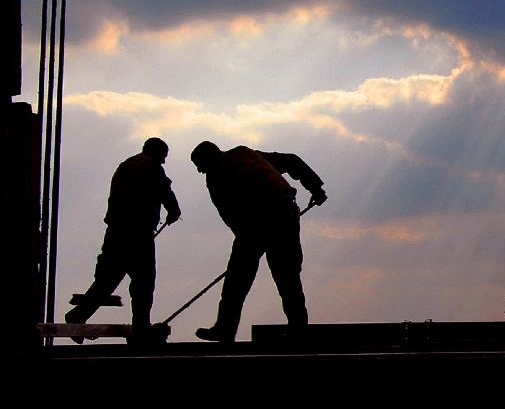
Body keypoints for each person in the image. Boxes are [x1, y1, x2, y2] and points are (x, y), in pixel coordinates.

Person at [190, 141, 327, 342]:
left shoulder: (216, 175)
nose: (201, 172)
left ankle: (225, 330)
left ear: (206, 160)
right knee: (288, 278)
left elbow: (229, 213)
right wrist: (315, 187)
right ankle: (299, 330)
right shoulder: (247, 155)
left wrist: (246, 242)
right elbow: (291, 161)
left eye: (199, 166)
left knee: (236, 282)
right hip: (285, 216)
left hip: (255, 223)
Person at [65, 138, 181, 341]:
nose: (163, 162)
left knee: (107, 280)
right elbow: (164, 190)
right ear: (156, 153)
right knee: (144, 281)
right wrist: (173, 210)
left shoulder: (126, 165)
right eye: (163, 157)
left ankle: (78, 315)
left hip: (115, 232)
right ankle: (141, 327)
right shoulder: (151, 166)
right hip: (137, 233)